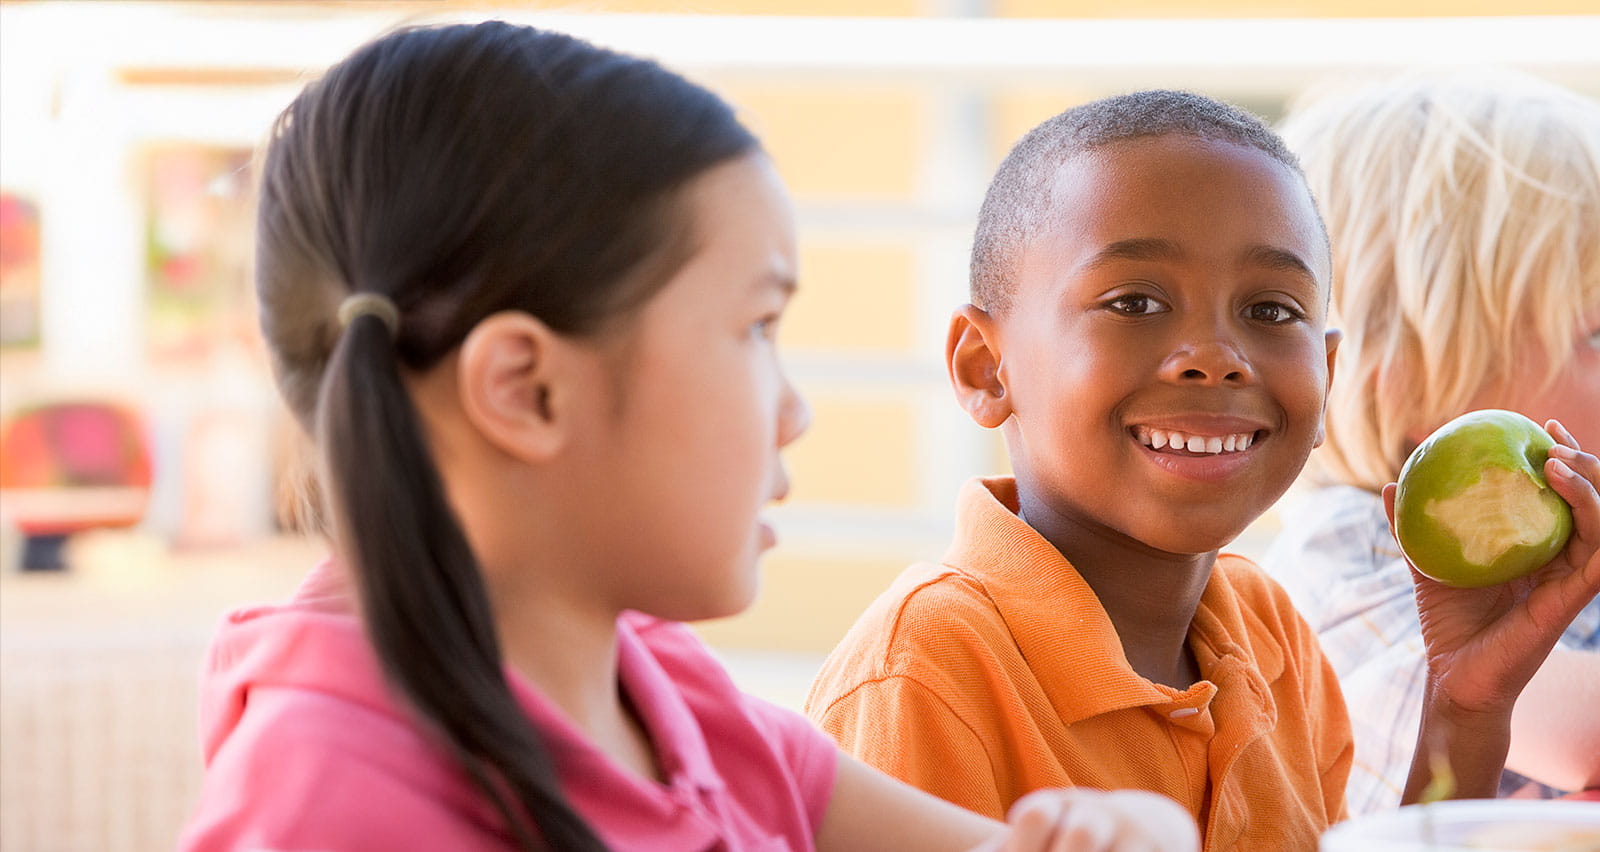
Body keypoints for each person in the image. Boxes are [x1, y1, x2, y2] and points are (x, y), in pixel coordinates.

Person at [176, 21, 1201, 852]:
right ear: (527, 390)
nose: (794, 410)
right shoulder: (326, 810)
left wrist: (1110, 832)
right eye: (754, 328)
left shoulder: (658, 690)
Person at [804, 89, 1600, 849]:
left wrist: (1466, 704)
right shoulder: (926, 672)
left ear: (1327, 377)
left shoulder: (1270, 633)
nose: (1214, 360)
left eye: (1270, 311)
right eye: (1135, 302)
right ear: (987, 368)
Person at [1260, 71, 1600, 814]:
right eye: (1596, 336)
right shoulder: (1360, 553)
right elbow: (1580, 735)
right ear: (1413, 390)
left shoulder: (1558, 535)